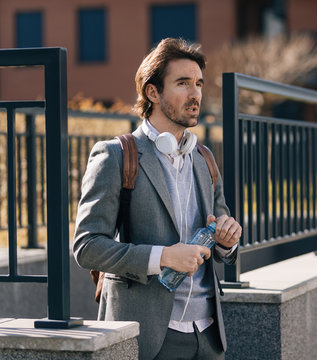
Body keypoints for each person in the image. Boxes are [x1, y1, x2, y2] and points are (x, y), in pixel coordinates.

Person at [73, 37, 241, 360]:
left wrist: (227, 240)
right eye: (182, 83)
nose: (195, 95)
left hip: (208, 336)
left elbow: (223, 246)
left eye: (199, 84)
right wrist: (163, 256)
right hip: (148, 338)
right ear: (153, 92)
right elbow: (86, 246)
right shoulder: (115, 156)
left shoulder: (204, 159)